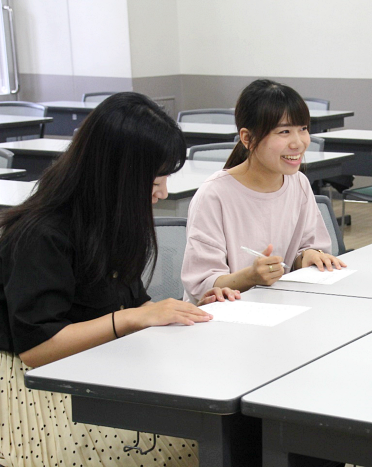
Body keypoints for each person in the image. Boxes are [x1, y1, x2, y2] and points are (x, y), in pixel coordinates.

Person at [0, 92, 240, 466]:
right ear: (116, 175)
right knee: (191, 446)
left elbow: (135, 303)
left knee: (221, 431)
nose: (162, 193)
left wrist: (181, 311)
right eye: (154, 181)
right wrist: (131, 319)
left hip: (100, 364)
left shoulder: (110, 220)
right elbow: (38, 349)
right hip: (37, 388)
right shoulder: (40, 233)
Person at [181, 79, 346, 301]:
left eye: (303, 129)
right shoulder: (214, 195)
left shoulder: (299, 183)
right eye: (284, 131)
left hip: (281, 305)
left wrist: (306, 257)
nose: (299, 142)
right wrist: (250, 276)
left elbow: (307, 246)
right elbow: (201, 286)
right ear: (247, 138)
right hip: (225, 317)